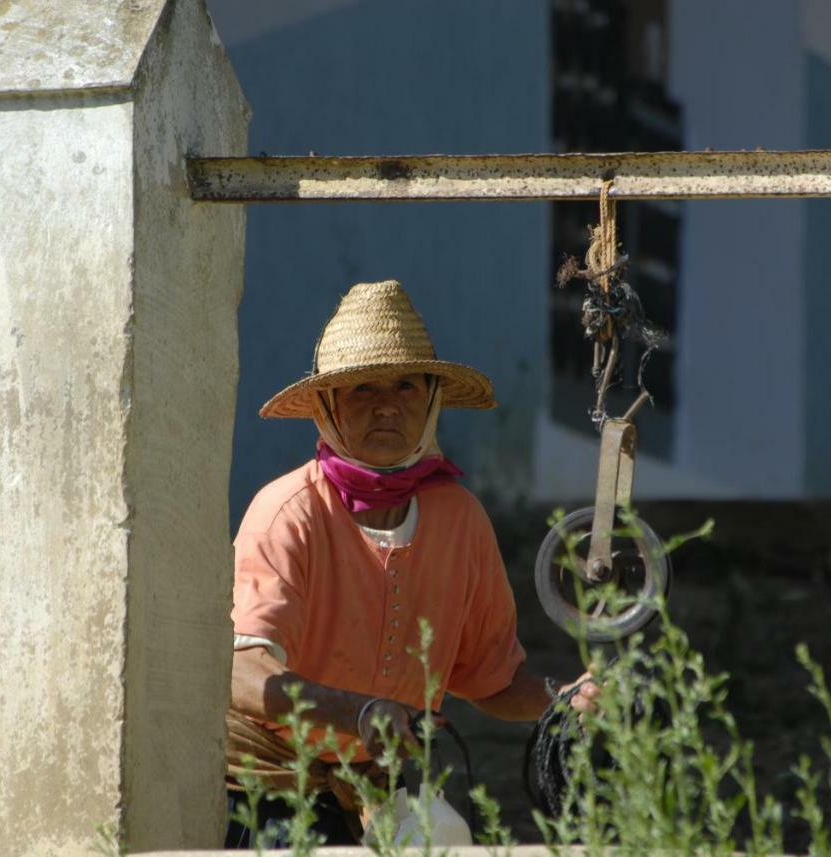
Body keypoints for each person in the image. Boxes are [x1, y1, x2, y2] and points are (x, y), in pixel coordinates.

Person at [226, 280, 596, 847]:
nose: (386, 404)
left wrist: (566, 699)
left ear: (430, 399)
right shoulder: (288, 514)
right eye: (361, 388)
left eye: (405, 384)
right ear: (326, 406)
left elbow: (492, 680)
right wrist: (357, 710)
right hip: (268, 786)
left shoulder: (460, 520)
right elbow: (242, 676)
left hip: (380, 791)